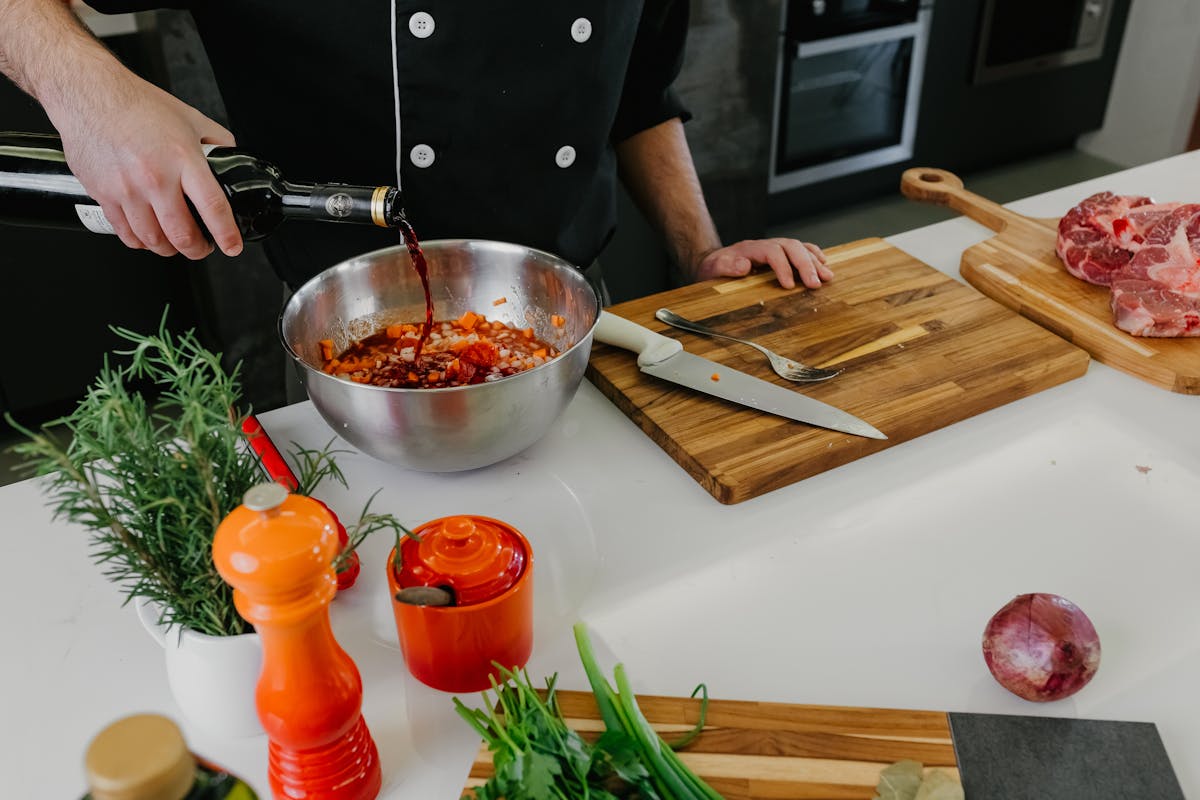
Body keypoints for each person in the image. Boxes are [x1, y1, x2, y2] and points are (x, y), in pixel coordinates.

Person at [0, 0, 832, 298]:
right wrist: (94, 100)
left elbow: (639, 93)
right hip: (349, 347)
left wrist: (704, 254)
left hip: (581, 321)